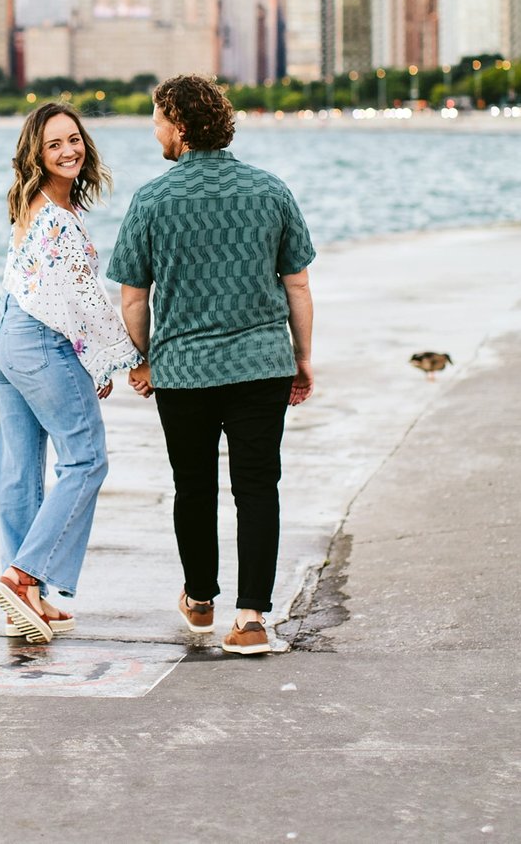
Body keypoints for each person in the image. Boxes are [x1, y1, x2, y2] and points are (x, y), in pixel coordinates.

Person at [107, 74, 315, 656]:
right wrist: (300, 359)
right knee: (257, 488)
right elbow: (297, 283)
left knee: (193, 486)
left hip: (184, 370)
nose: (155, 132)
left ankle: (200, 600)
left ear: (179, 125)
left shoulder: (153, 199)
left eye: (156, 121)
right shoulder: (270, 190)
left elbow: (132, 297)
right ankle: (250, 620)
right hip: (261, 364)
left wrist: (143, 359)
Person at [0, 102, 141, 644]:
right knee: (85, 461)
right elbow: (86, 305)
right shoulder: (58, 217)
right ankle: (23, 575)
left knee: (20, 469)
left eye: (74, 139)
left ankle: (26, 602)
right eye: (54, 145)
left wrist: (91, 356)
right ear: (37, 154)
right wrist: (126, 359)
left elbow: (52, 293)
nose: (69, 150)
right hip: (37, 340)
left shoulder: (31, 202)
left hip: (4, 335)